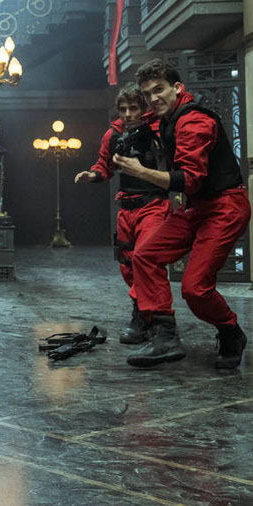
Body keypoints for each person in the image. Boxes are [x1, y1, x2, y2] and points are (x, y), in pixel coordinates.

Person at [112, 59, 250, 368]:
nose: (153, 98)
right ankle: (165, 336)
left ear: (177, 88)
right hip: (196, 207)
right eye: (147, 94)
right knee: (145, 256)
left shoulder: (194, 122)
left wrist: (141, 171)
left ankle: (230, 330)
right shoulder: (165, 114)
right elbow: (128, 119)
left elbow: (190, 180)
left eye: (159, 90)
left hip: (225, 206)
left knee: (195, 288)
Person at [74, 84, 170, 344]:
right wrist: (92, 175)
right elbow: (104, 166)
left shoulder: (158, 130)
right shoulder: (113, 135)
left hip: (153, 203)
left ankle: (158, 322)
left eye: (133, 108)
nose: (128, 114)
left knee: (146, 261)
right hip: (126, 206)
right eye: (123, 109)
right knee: (128, 266)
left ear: (144, 108)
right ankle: (144, 314)